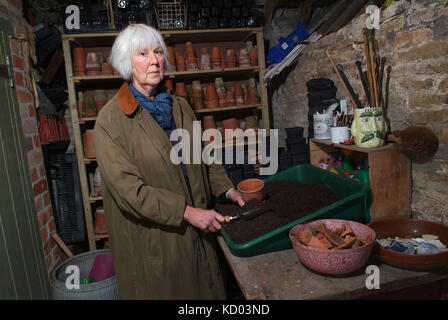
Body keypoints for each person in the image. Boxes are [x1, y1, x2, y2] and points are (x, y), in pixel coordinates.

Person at [93, 24, 245, 299]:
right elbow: (130, 192)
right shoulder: (111, 120)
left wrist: (227, 189)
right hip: (156, 243)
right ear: (126, 63)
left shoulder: (180, 106)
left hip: (199, 232)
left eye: (158, 52)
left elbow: (204, 155)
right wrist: (187, 212)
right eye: (143, 54)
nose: (154, 60)